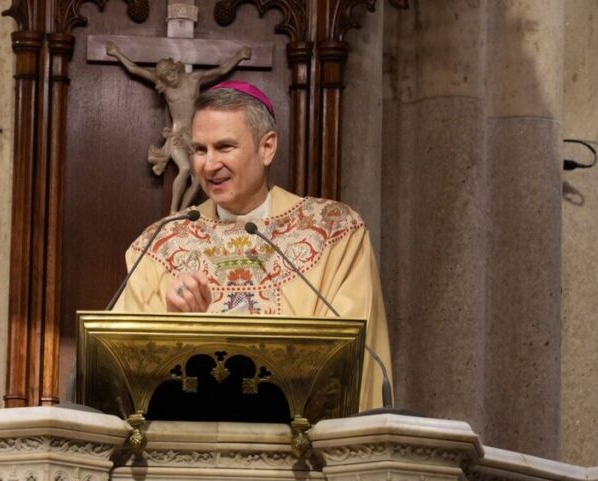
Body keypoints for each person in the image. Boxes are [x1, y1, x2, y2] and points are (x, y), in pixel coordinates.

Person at [114, 81, 392, 410]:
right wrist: (170, 321)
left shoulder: (334, 232)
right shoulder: (161, 243)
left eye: (225, 147)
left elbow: (354, 363)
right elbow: (122, 368)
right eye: (200, 150)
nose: (209, 164)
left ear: (267, 147)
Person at [107, 43, 251, 212]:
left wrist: (240, 56)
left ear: (176, 68)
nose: (169, 78)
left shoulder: (194, 79)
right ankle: (173, 211)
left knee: (197, 180)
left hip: (194, 136)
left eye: (170, 73)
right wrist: (116, 53)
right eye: (164, 76)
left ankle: (182, 212)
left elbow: (221, 71)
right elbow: (134, 69)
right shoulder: (165, 85)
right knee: (184, 168)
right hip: (176, 135)